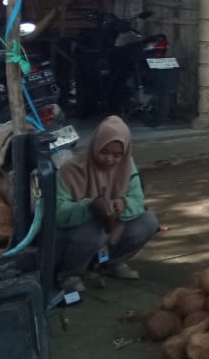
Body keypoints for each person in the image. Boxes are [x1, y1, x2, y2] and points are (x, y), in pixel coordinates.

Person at [55, 116, 157, 293]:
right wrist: (90, 207)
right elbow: (59, 213)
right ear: (95, 145)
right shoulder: (70, 170)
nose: (109, 159)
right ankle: (70, 274)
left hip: (112, 230)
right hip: (77, 237)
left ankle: (110, 262)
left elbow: (137, 200)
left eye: (117, 155)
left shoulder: (126, 166)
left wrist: (122, 204)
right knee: (94, 230)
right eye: (104, 152)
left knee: (148, 222)